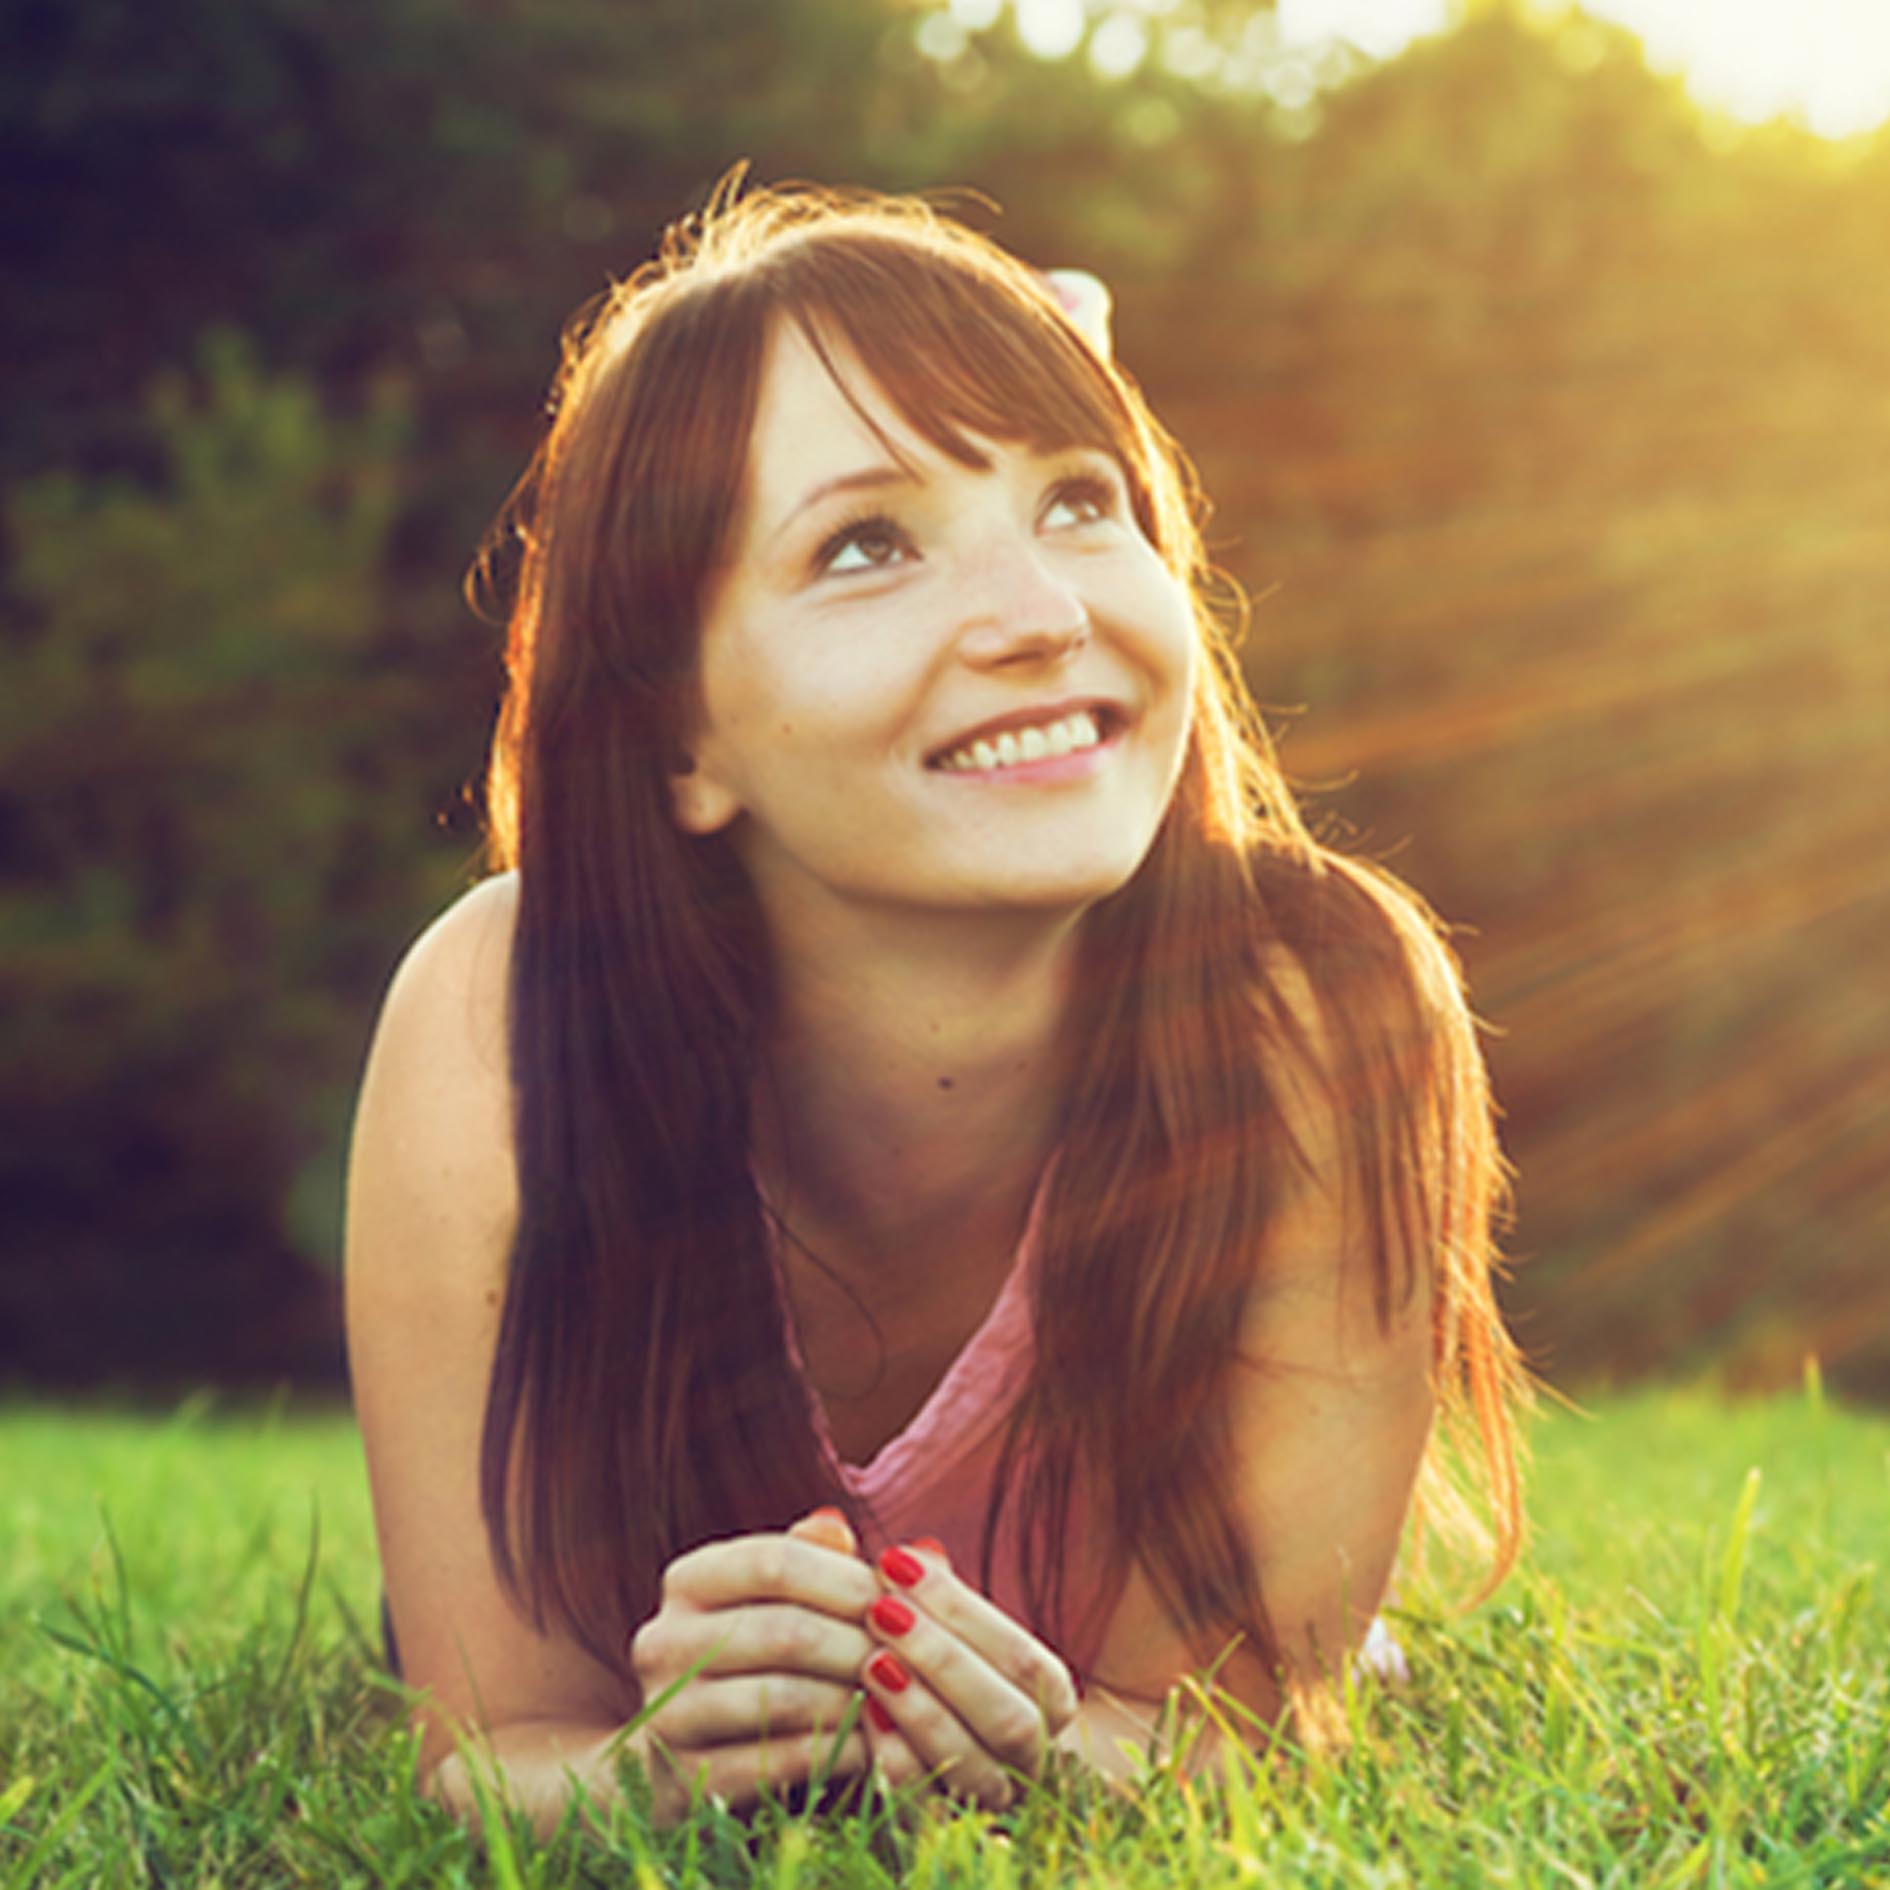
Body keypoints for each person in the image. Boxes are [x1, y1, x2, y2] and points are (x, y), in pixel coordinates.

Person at [343, 178, 1526, 1834]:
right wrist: (643, 1776)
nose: (1044, 619)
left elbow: (1237, 1737)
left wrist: (1051, 1758)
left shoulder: (1315, 1010)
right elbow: (489, 1757)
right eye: (864, 545)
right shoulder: (498, 1018)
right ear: (680, 736)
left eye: (1076, 501)